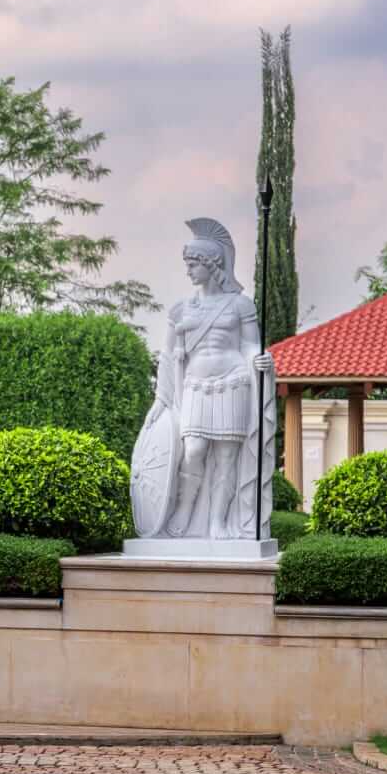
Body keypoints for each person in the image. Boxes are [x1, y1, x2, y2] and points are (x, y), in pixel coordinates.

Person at [132, 218, 274, 540]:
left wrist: (264, 361)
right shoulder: (181, 308)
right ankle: (184, 509)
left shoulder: (240, 305)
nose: (189, 270)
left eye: (194, 263)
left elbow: (251, 345)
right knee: (193, 450)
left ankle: (217, 522)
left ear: (213, 264)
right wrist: (161, 398)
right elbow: (168, 356)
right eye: (188, 263)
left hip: (234, 381)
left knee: (226, 455)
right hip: (195, 384)